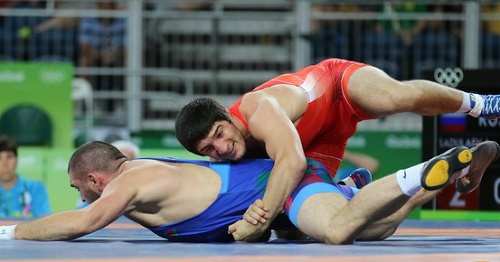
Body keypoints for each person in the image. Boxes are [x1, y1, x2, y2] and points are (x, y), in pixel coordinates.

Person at [175, 57, 500, 241]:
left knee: (396, 98)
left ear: (227, 116)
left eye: (219, 133)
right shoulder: (235, 148)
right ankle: (448, 168)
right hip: (321, 141)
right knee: (304, 229)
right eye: (210, 149)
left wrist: (258, 219)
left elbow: (291, 161)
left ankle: (482, 104)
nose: (222, 148)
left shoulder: (258, 108)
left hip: (337, 87)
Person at [0, 140, 497, 243]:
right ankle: (447, 174)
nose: (80, 199)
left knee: (340, 230)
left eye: (79, 189)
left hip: (279, 188)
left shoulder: (128, 183)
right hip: (272, 208)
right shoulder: (135, 170)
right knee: (377, 229)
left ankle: (420, 169)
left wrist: (14, 231)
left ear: (95, 179)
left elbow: (83, 223)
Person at [76, 139, 140, 209]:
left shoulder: (142, 186)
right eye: (118, 162)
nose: (122, 166)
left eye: (127, 162)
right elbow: (83, 211)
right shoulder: (94, 185)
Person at [0, 136, 51, 218]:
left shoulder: (36, 188)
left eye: (9, 157)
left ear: (16, 160)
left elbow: (44, 219)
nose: (4, 164)